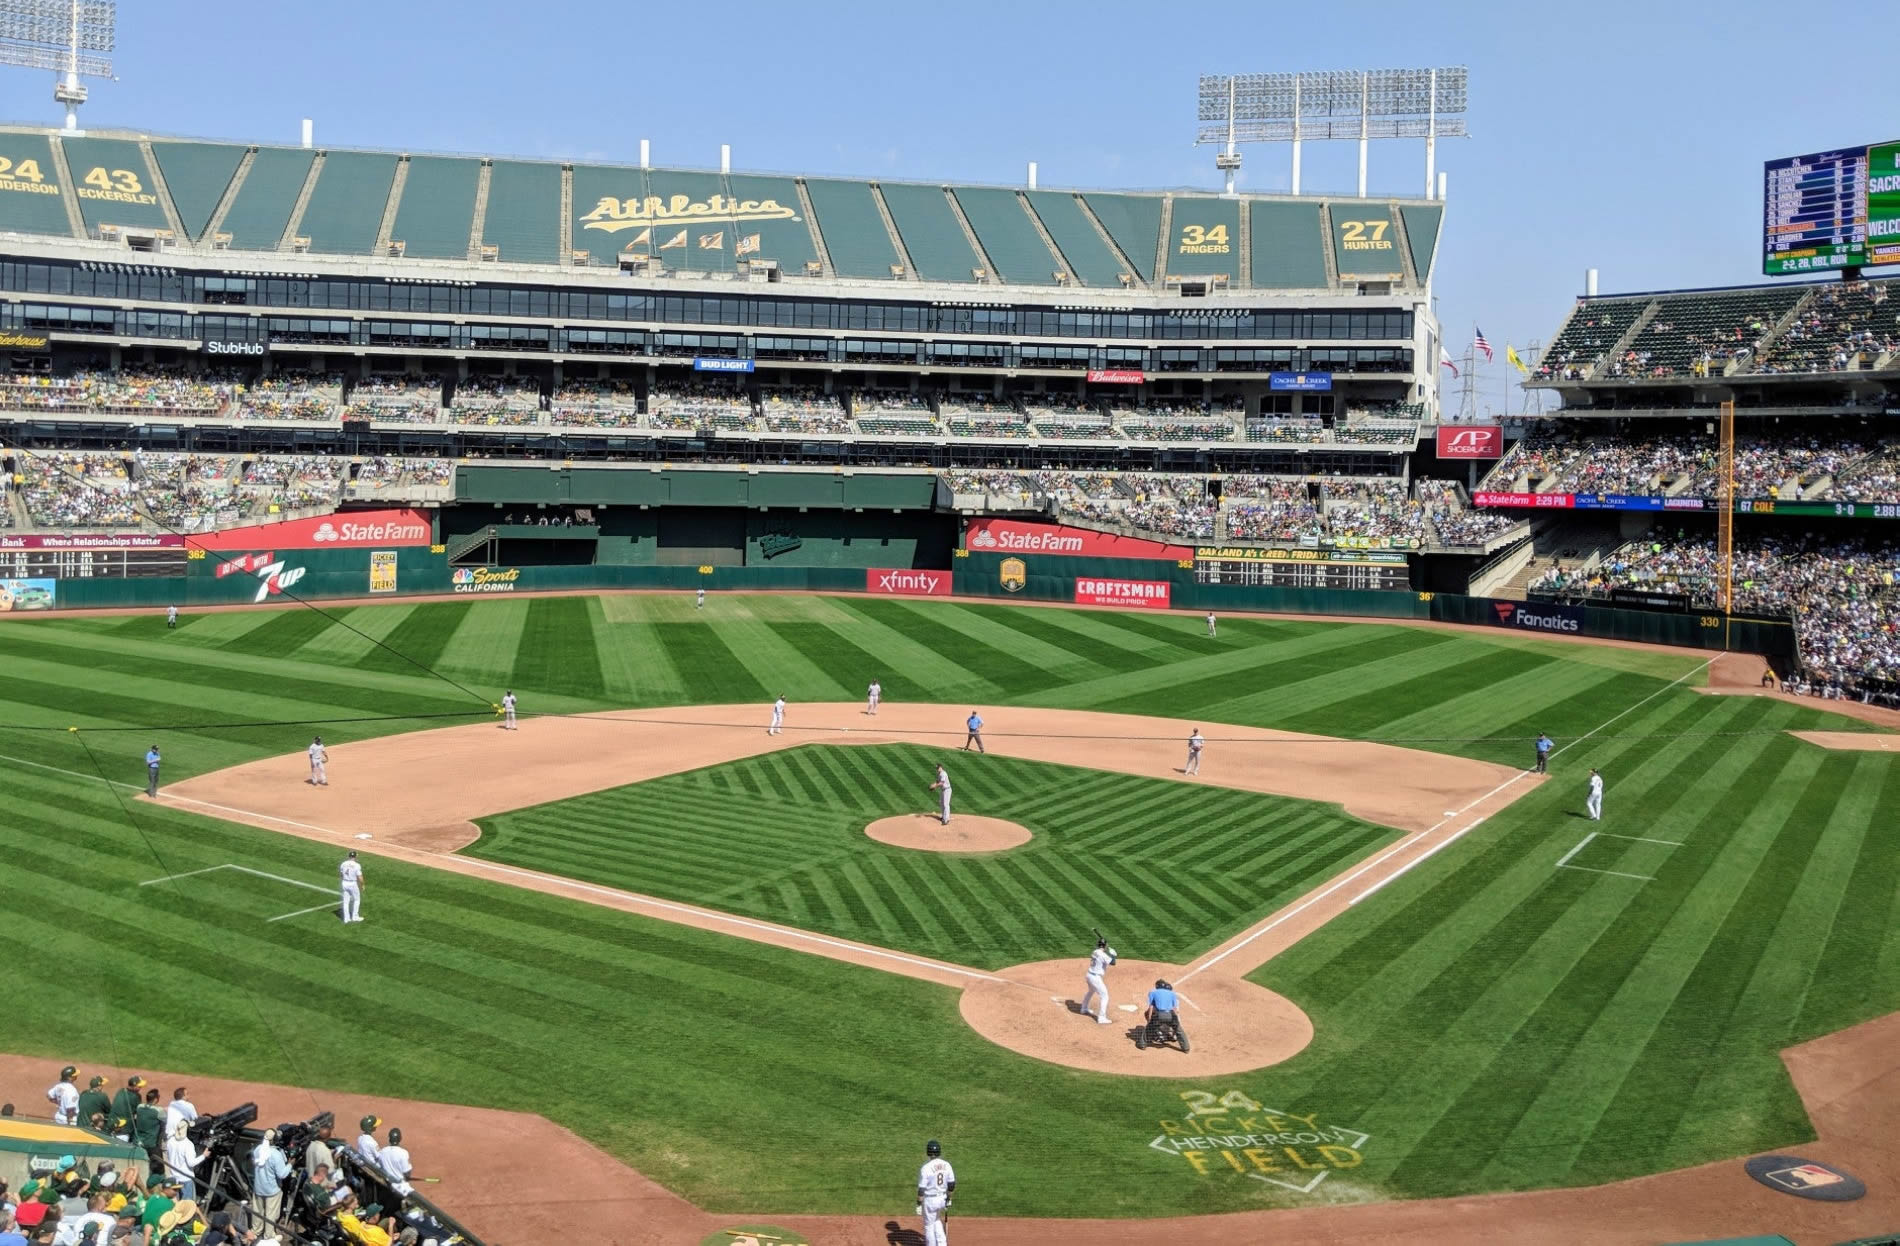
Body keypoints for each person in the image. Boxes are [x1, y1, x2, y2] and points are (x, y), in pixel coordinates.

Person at [248, 1129, 290, 1233]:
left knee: (257, 1214)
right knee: (270, 1216)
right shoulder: (276, 1154)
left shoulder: (258, 1149)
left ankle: (255, 1233)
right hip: (272, 1191)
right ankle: (268, 1237)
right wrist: (290, 1164)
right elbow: (282, 1174)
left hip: (258, 1188)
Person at [915, 1139, 955, 1246]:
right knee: (936, 1220)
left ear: (928, 1152)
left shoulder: (926, 1167)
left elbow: (922, 1189)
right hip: (942, 1199)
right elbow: (951, 1184)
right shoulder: (947, 1165)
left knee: (928, 1225)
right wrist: (949, 1199)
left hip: (930, 1201)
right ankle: (942, 1244)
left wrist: (919, 1204)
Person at [163, 1119, 206, 1201]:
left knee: (178, 1203)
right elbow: (191, 1163)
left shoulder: (170, 1141)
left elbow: (168, 1155)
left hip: (174, 1178)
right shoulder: (188, 1144)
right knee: (187, 1205)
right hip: (186, 1179)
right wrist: (204, 1156)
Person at [1081, 937, 1116, 1025]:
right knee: (1105, 996)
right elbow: (1113, 963)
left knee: (1090, 991)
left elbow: (1102, 956)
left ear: (1098, 945)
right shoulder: (1103, 955)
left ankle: (1084, 1008)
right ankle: (1102, 1018)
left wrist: (1108, 953)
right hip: (1095, 978)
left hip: (1089, 975)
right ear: (1105, 945)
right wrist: (1113, 955)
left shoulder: (1095, 951)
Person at [377, 1127, 418, 1196]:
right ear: (400, 1139)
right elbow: (407, 1173)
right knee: (417, 1201)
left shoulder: (382, 1151)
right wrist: (407, 1178)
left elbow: (381, 1166)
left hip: (387, 1184)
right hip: (400, 1187)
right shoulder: (403, 1153)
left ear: (389, 1139)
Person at [1145, 978, 1186, 1044]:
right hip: (1173, 1021)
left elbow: (1152, 1008)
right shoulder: (1174, 998)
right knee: (1173, 1023)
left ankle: (1160, 1035)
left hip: (1163, 1020)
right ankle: (1172, 1036)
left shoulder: (1159, 997)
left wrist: (1149, 1018)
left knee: (1151, 1015)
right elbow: (1175, 1011)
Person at [108, 1076, 146, 1142]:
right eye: (139, 1086)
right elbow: (139, 1112)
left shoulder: (120, 1091)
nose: (141, 1087)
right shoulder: (136, 1096)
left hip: (112, 1125)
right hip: (124, 1129)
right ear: (133, 1086)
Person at [339, 851, 363, 924]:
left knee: (346, 902)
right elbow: (360, 877)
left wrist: (344, 880)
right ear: (355, 857)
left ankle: (346, 919)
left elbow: (341, 874)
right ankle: (355, 917)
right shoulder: (357, 865)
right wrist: (362, 885)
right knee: (357, 900)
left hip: (344, 882)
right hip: (352, 883)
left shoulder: (343, 863)